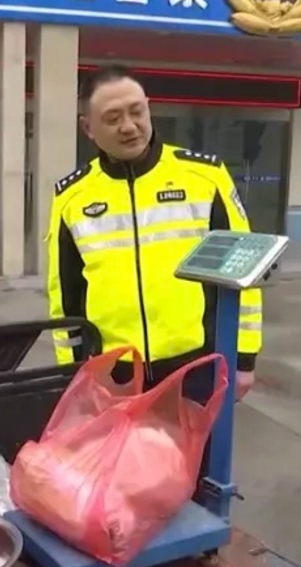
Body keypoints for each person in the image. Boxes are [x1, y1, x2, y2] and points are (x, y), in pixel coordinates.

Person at [47, 65, 263, 401]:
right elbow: (65, 294)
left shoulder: (205, 177)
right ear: (88, 128)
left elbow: (243, 271)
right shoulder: (72, 197)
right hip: (113, 373)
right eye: (113, 118)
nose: (129, 126)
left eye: (137, 112)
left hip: (196, 366)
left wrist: (244, 358)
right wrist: (71, 371)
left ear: (149, 108)